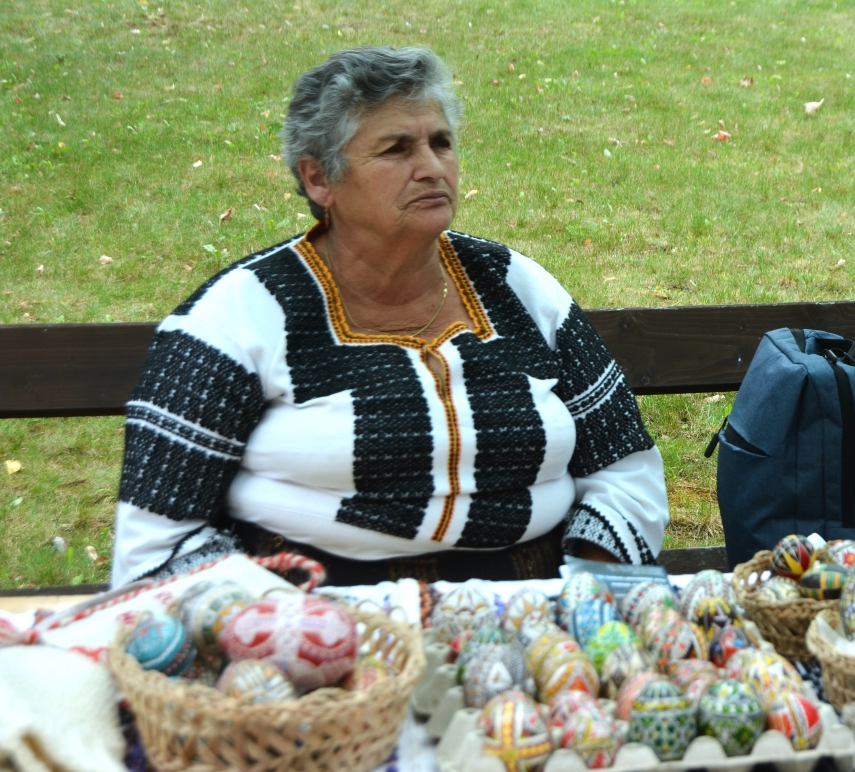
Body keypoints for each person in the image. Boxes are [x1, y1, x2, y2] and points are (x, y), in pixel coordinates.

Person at [111, 46, 668, 585]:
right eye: (397, 149)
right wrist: (282, 624)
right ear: (319, 179)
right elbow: (158, 545)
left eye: (441, 143)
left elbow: (623, 467)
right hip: (316, 618)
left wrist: (587, 592)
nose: (431, 168)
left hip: (526, 610)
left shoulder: (515, 286)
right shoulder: (240, 314)